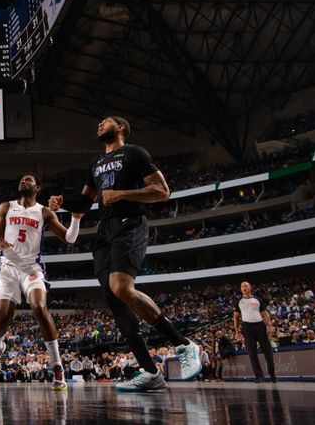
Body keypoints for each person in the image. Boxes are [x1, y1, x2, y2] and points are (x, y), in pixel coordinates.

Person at [49, 117, 202, 392]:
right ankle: (151, 372)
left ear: (120, 128)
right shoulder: (95, 163)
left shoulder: (134, 153)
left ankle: (184, 344)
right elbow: (85, 203)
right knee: (115, 300)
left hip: (130, 224)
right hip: (104, 232)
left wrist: (121, 194)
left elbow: (162, 191)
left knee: (121, 286)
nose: (98, 125)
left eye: (104, 122)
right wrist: (63, 203)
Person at [0, 173, 81, 392]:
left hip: (31, 268)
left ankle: (57, 366)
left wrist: (75, 218)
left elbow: (69, 238)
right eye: (21, 179)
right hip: (9, 268)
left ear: (37, 187)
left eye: (28, 179)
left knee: (39, 307)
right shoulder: (6, 206)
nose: (23, 181)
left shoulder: (44, 212)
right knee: (2, 316)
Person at [233, 281, 276, 382]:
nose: (244, 287)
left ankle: (272, 374)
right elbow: (236, 317)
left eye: (246, 285)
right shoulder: (238, 301)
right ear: (240, 289)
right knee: (252, 353)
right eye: (242, 286)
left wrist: (270, 325)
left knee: (267, 351)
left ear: (250, 287)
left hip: (260, 326)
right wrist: (236, 331)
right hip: (247, 327)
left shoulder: (257, 300)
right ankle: (259, 376)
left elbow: (265, 313)